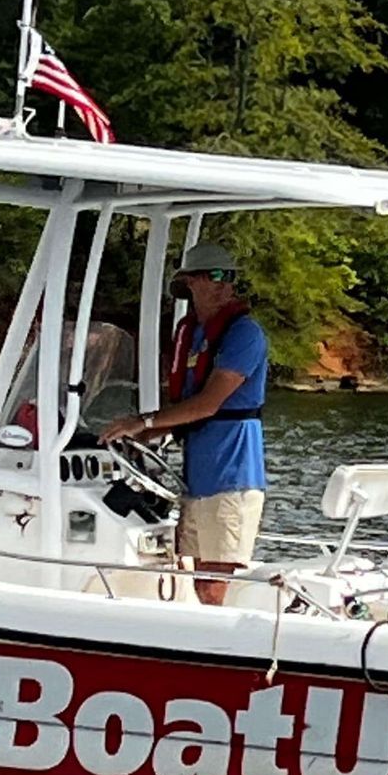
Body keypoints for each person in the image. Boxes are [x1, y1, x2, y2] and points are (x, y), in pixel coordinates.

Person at [102, 241, 268, 605]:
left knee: (212, 583)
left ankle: (215, 651)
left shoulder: (244, 334)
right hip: (198, 476)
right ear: (190, 282)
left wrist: (142, 421)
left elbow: (208, 404)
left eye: (231, 277)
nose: (226, 285)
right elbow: (183, 408)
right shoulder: (190, 333)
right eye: (216, 276)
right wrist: (135, 434)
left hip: (232, 474)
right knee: (196, 579)